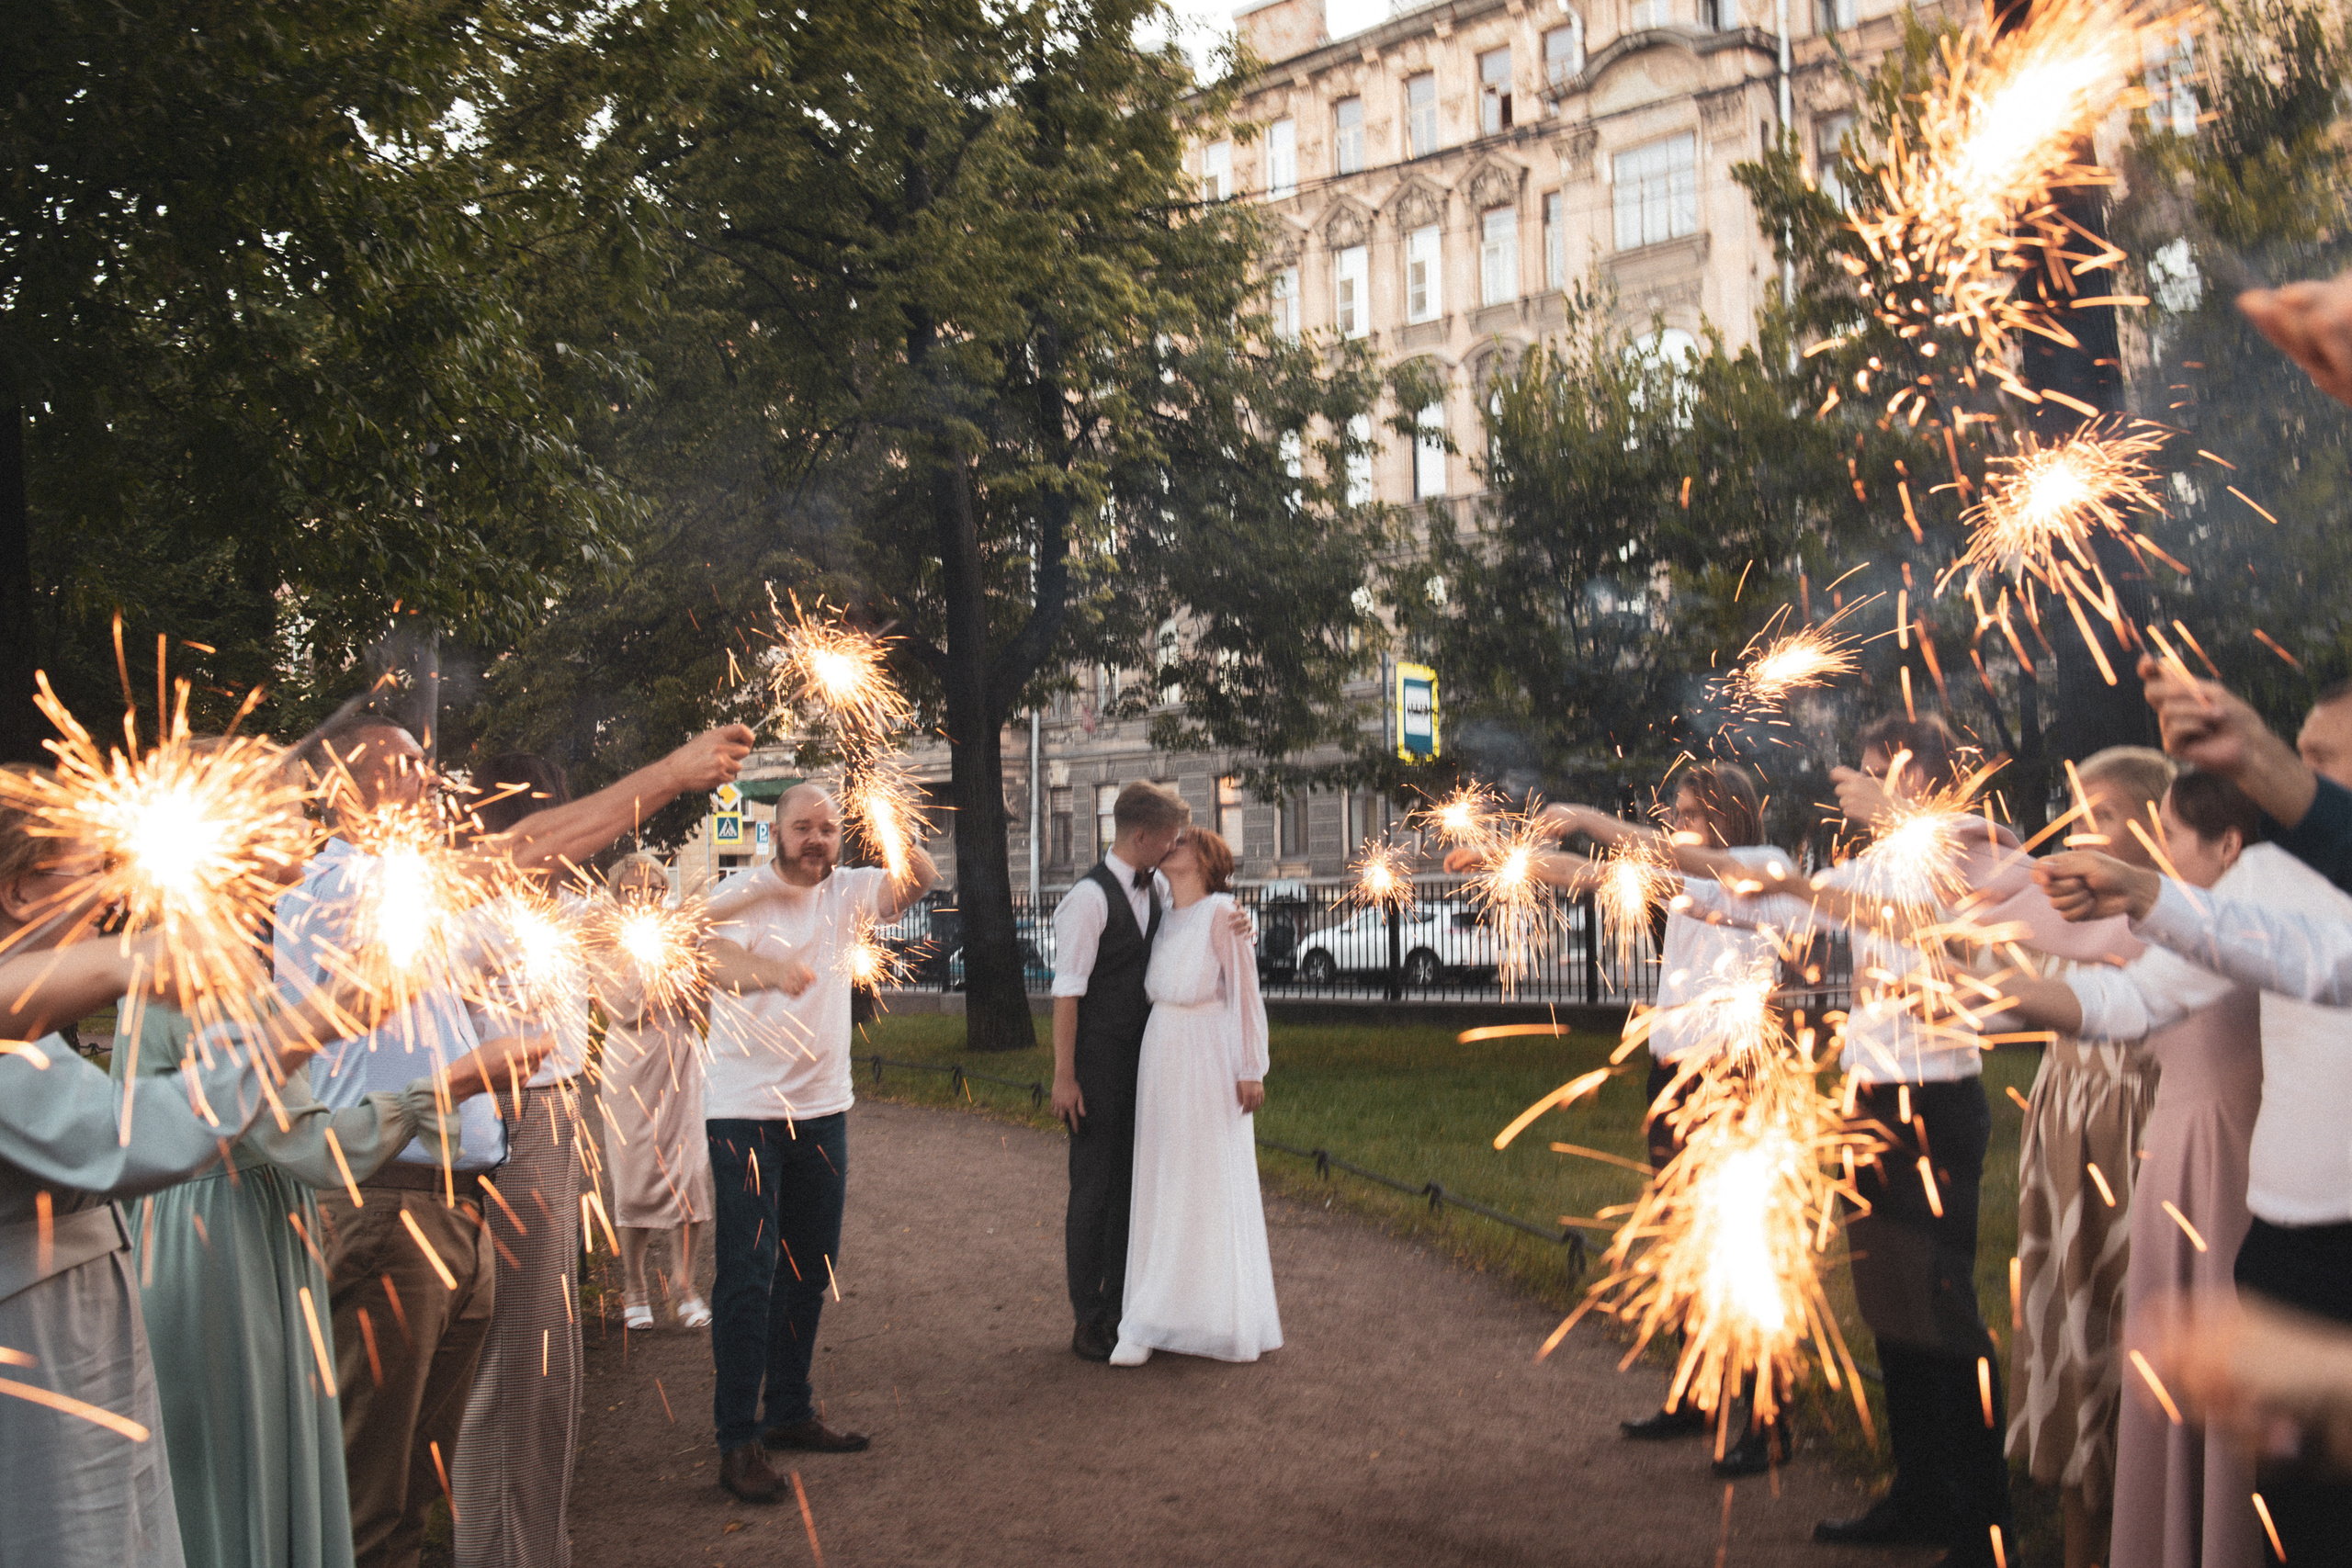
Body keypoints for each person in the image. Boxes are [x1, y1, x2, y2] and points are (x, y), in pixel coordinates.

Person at [277, 710, 752, 1568]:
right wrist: (672, 773)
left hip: (440, 1201)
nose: (432, 779)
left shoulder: (411, 893)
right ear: (347, 792)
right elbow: (524, 851)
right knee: (371, 1499)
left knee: (409, 1492)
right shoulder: (349, 885)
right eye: (407, 766)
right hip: (387, 1204)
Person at [1736, 713, 2127, 1568]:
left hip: (1935, 1102)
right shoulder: (1876, 860)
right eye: (1870, 769)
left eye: (1882, 768)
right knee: (1891, 1303)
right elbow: (1791, 892)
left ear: (1919, 775)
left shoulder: (1965, 849)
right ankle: (1918, 1492)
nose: (1866, 783)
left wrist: (1893, 813)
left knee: (1943, 1309)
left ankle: (1984, 1521)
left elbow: (1953, 898)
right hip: (1869, 1097)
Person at [0, 772, 377, 1568]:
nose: (110, 895)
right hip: (38, 1340)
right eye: (89, 870)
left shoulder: (37, 1019)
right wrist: (315, 1023)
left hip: (85, 1315)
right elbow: (136, 1135)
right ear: (19, 889)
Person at [118, 1003, 549, 1568]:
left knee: (390, 1503)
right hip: (227, 1243)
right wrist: (454, 1084)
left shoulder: (233, 976)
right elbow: (308, 1143)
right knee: (300, 1506)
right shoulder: (195, 983)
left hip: (319, 1219)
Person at [1994, 771, 2270, 1568]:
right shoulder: (2188, 925)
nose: (2160, 852)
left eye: (2169, 835)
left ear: (2225, 844)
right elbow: (2114, 997)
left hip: (2213, 1159)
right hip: (2176, 1159)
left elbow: (2114, 993)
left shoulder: (2223, 927)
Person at [1490, 762, 1797, 1476]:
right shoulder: (1689, 877)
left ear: (1728, 816)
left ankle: (1770, 1418)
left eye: (1691, 813)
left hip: (1732, 1077)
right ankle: (1697, 1394)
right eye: (1678, 812)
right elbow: (1594, 876)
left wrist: (1584, 816)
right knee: (1685, 1239)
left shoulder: (1760, 867)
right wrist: (1509, 859)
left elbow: (1644, 848)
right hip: (1675, 1076)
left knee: (1738, 1242)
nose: (1678, 824)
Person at [699, 782, 935, 1504]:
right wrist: (769, 971)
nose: (816, 839)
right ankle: (737, 1438)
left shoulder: (849, 891)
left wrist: (887, 819)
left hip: (823, 1110)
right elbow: (710, 960)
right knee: (748, 1273)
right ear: (776, 832)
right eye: (802, 827)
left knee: (811, 1265)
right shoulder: (742, 892)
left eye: (828, 828)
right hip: (745, 1112)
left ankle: (789, 1408)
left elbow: (922, 877)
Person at [2004, 746, 2170, 1568]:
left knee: (2122, 1333)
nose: (2083, 831)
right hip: (2062, 1134)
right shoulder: (2064, 911)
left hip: (2130, 1142)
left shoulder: (2167, 920)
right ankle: (2079, 1541)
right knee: (2071, 1335)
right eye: (2079, 814)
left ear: (2156, 824)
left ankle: (2145, 1531)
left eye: (2103, 814)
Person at [1109, 826, 1280, 1367]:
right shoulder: (1162, 910)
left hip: (1207, 1053)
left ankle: (1210, 1314)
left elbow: (1247, 993)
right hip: (1161, 1049)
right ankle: (1153, 1311)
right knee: (1163, 1176)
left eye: (1182, 841)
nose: (1170, 845)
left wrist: (1251, 1067)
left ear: (1206, 860)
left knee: (1203, 1177)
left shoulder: (1223, 913)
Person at [1049, 779, 1189, 1363]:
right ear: (1142, 836)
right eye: (1170, 838)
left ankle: (1118, 1308)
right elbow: (1067, 994)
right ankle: (1087, 1317)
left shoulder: (1158, 886)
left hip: (1146, 1066)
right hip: (1097, 1068)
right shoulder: (1088, 899)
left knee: (1132, 1189)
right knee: (1093, 1192)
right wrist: (1064, 1076)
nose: (1175, 847)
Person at [599, 853, 714, 1329]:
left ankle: (684, 1286)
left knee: (689, 1173)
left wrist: (693, 970)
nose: (645, 897)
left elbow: (704, 1002)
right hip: (631, 1067)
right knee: (635, 1176)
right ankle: (634, 1286)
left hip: (681, 1060)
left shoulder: (681, 935)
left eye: (654, 888)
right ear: (617, 894)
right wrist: (664, 964)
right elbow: (622, 1005)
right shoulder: (605, 939)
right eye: (633, 889)